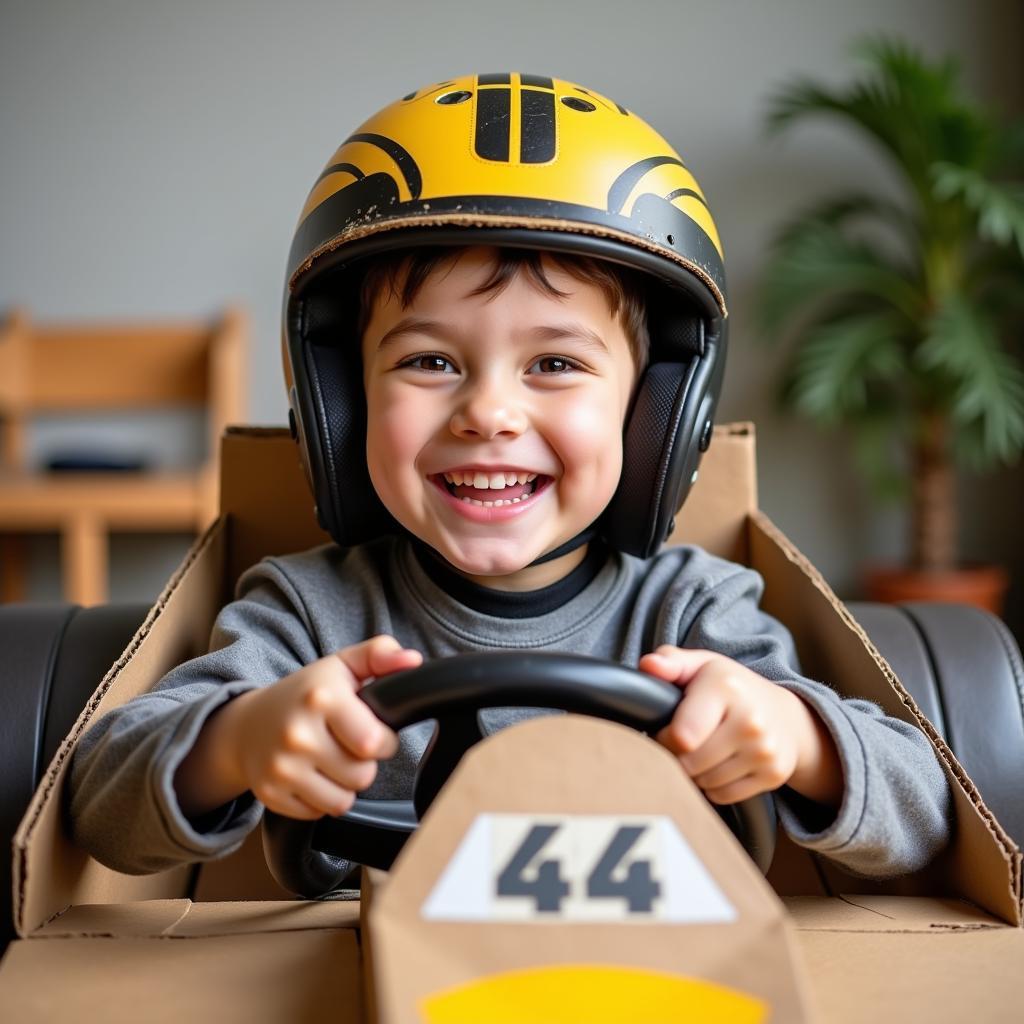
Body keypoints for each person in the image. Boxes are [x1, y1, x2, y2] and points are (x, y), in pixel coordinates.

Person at [68, 73, 951, 883]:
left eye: (556, 365)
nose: (488, 413)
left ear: (658, 420)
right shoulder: (305, 613)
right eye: (429, 360)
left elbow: (926, 810)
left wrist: (795, 739)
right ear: (338, 403)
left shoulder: (697, 612)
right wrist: (239, 740)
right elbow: (101, 801)